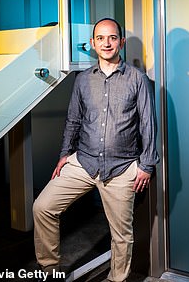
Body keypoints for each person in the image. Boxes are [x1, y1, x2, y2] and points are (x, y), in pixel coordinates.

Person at [33, 17, 158, 282]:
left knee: (122, 235)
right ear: (92, 43)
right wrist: (64, 155)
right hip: (83, 162)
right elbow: (73, 120)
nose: (106, 43)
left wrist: (146, 165)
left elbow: (148, 123)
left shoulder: (137, 79)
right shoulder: (82, 80)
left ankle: (117, 279)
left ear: (121, 42)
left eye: (112, 37)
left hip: (122, 167)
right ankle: (50, 269)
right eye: (100, 38)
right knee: (43, 207)